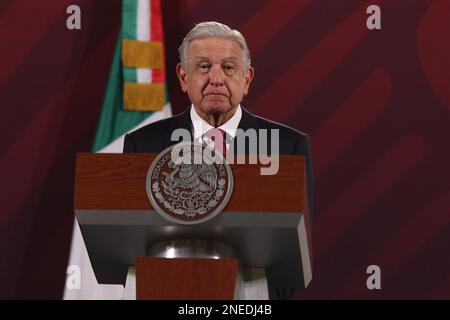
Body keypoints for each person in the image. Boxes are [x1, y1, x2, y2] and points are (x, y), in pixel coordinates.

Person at [123, 21, 314, 299]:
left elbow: (296, 251)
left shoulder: (288, 146)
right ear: (183, 76)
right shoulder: (143, 144)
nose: (216, 78)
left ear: (246, 78)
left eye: (228, 67)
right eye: (203, 66)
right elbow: (128, 238)